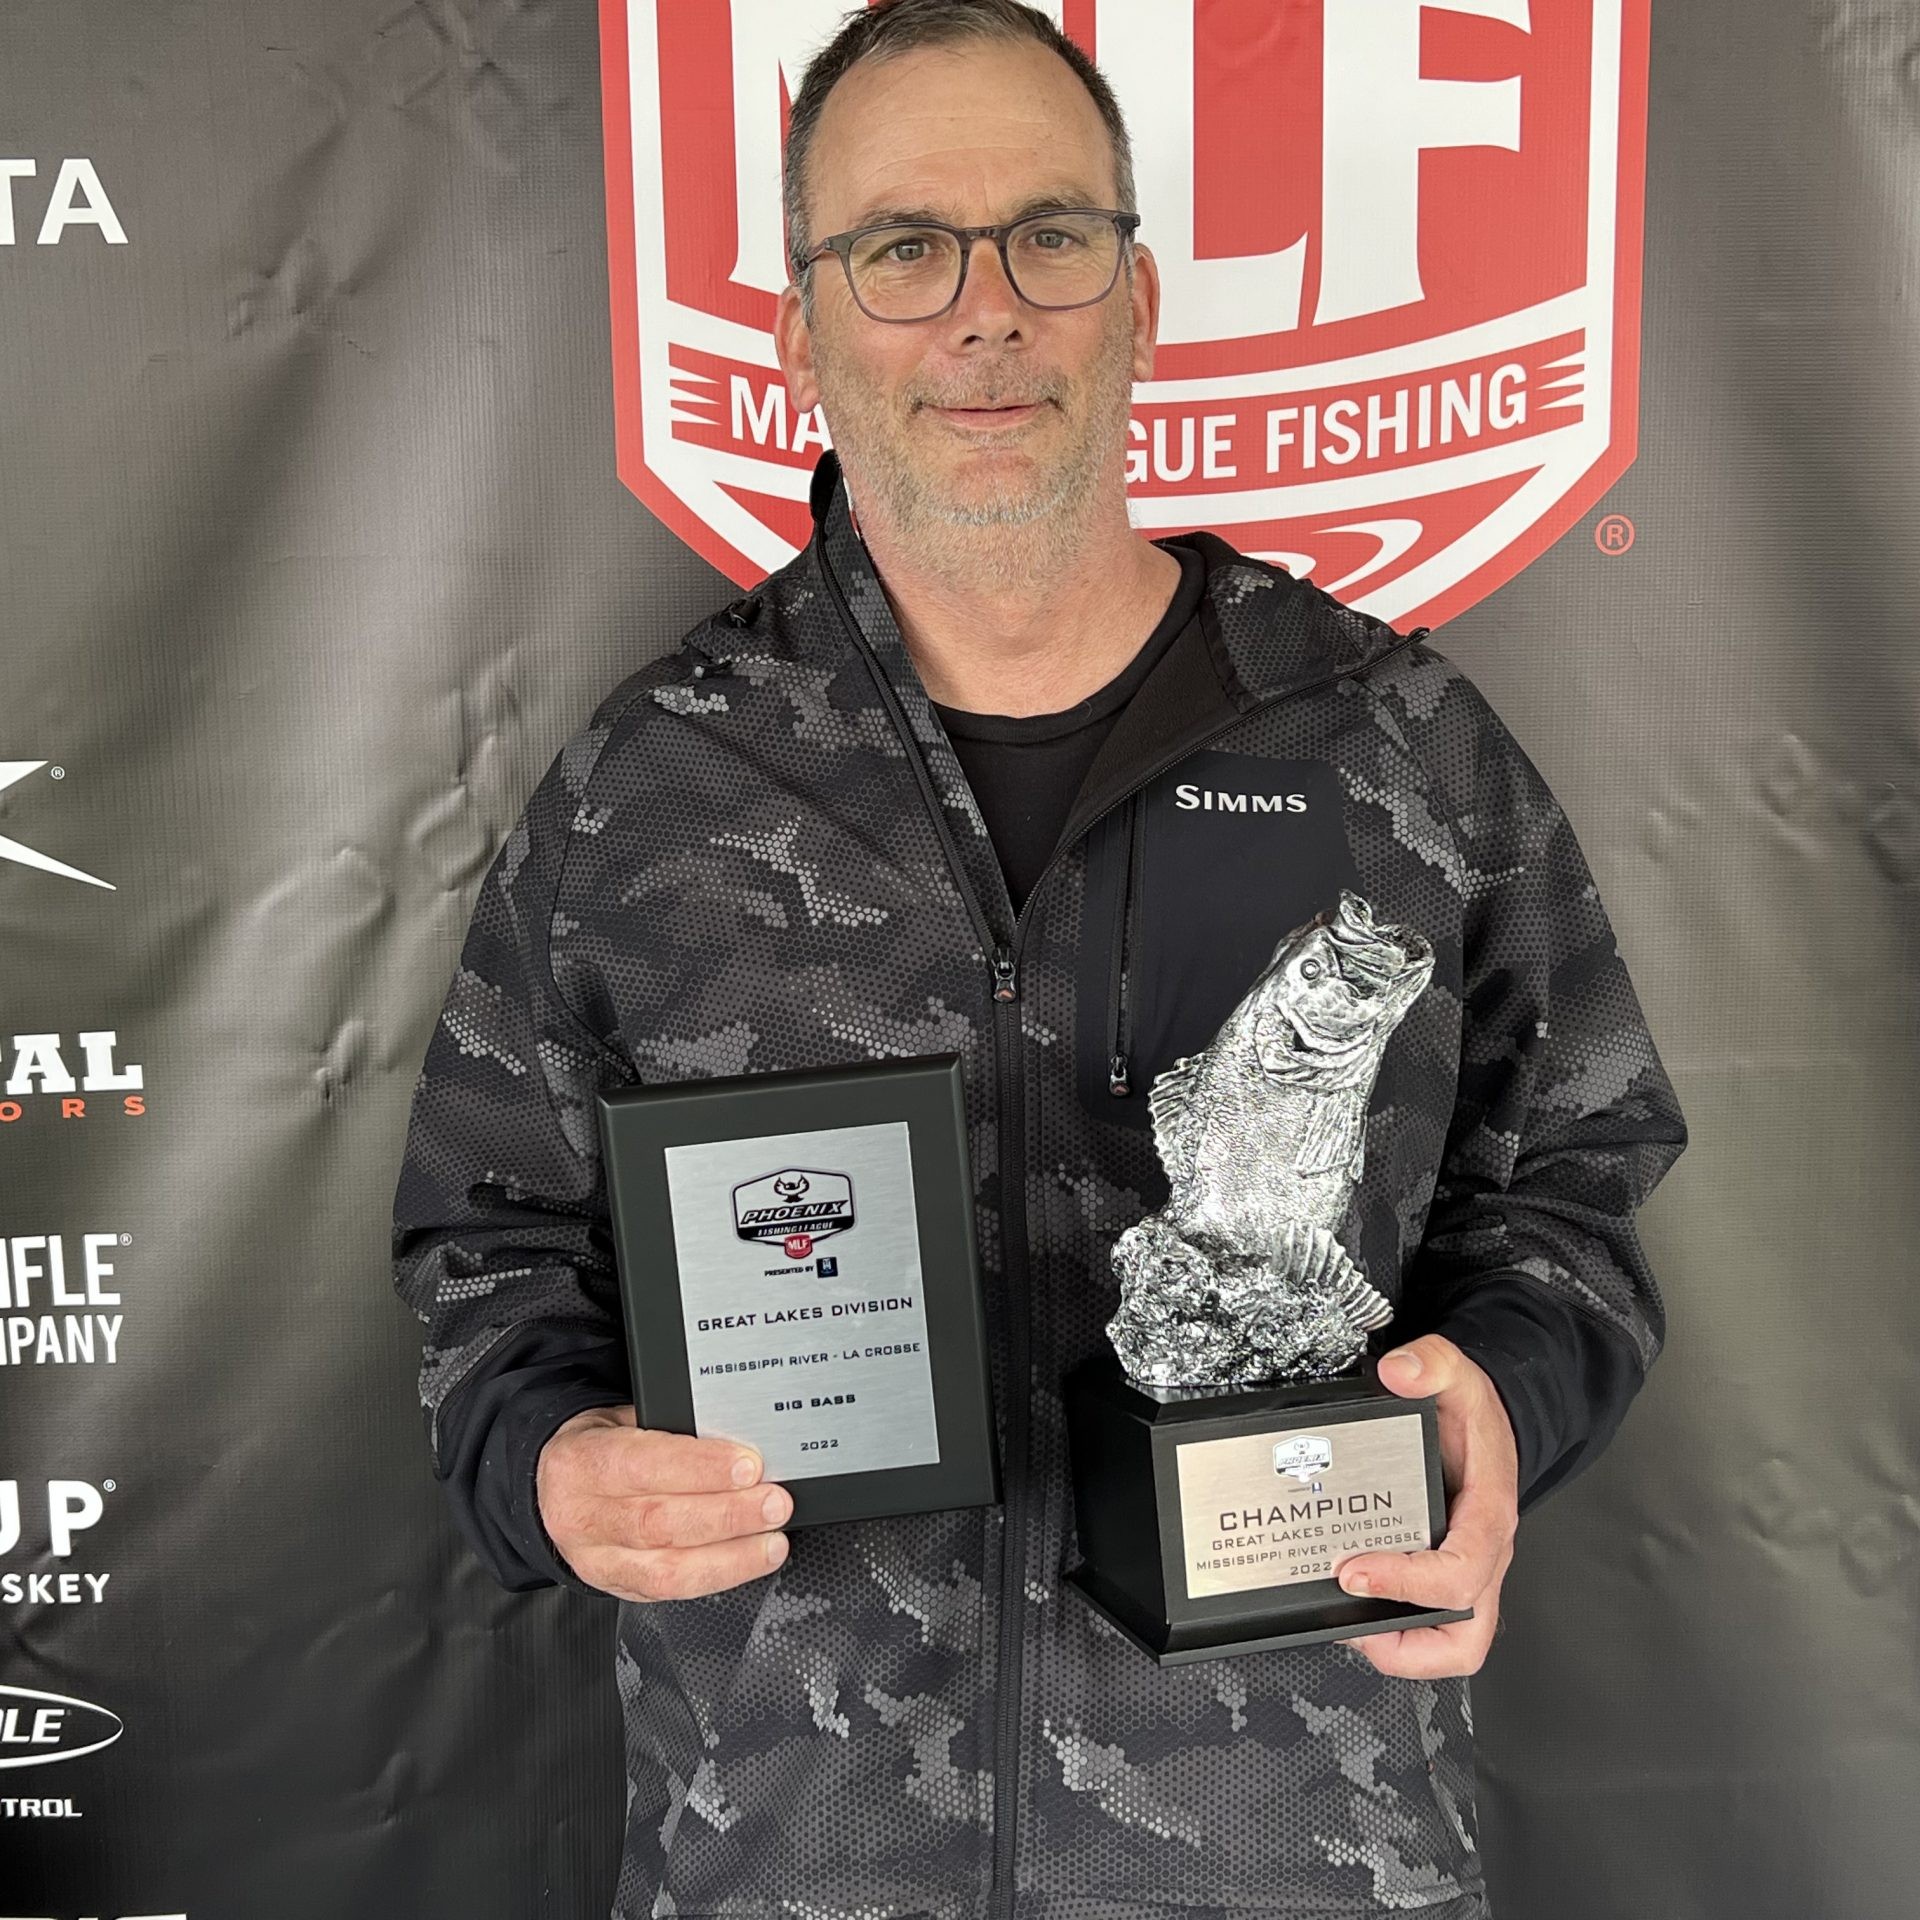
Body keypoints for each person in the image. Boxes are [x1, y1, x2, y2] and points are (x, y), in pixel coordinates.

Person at [390, 3, 1688, 1915]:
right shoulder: (647, 790)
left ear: (1137, 301)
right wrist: (555, 1460)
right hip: (798, 1856)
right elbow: (487, 1248)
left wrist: (1501, 1395)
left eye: (1049, 238)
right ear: (800, 332)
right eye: (903, 249)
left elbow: (1574, 1179)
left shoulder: (1392, 746)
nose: (984, 311)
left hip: (1295, 1850)